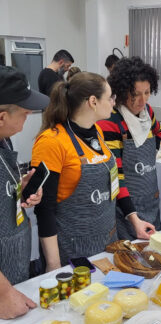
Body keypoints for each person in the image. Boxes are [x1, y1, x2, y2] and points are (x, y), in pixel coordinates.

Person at [31, 72, 118, 271]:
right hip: (73, 249)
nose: (114, 102)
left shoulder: (97, 132)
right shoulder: (51, 142)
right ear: (93, 101)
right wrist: (53, 264)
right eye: (110, 97)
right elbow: (45, 208)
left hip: (107, 240)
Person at [0, 65, 48, 319]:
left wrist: (20, 189)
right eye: (25, 114)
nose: (27, 121)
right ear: (1, 117)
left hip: (14, 271)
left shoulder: (4, 139)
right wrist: (3, 293)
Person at [98, 57, 160, 240]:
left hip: (151, 199)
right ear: (122, 91)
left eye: (147, 93)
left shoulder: (148, 113)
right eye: (135, 94)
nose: (142, 101)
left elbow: (158, 133)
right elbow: (116, 176)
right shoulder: (110, 121)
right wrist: (133, 218)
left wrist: (148, 157)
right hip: (126, 206)